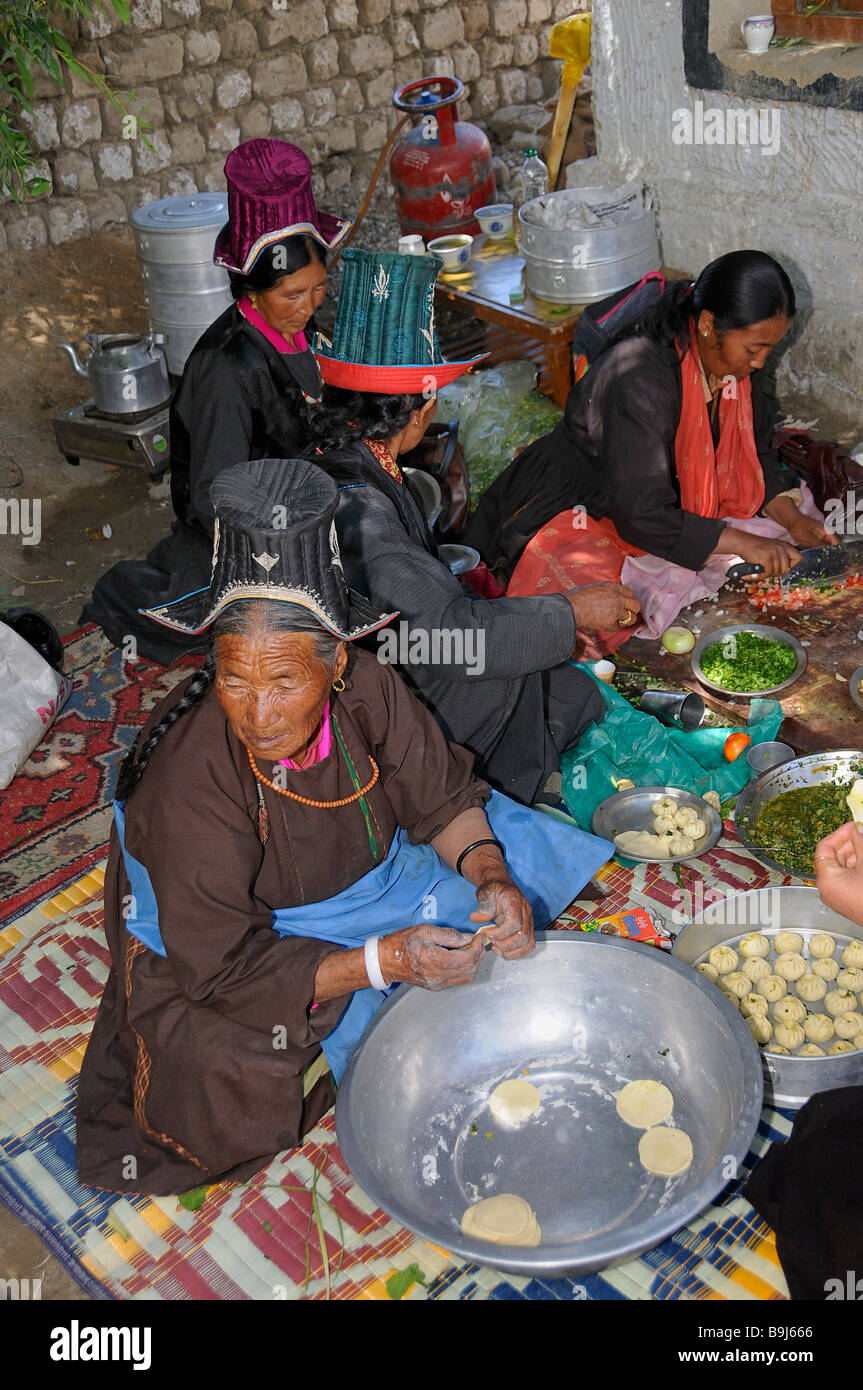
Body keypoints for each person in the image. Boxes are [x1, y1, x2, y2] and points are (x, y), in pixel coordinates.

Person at [76, 456, 612, 1195]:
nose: (257, 715)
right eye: (235, 679)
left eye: (284, 681)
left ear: (334, 663)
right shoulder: (192, 781)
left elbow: (441, 800)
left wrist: (491, 877)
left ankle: (394, 960)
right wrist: (381, 962)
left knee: (516, 881)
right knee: (216, 1079)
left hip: (374, 885)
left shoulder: (368, 684)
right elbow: (220, 964)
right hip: (237, 944)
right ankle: (363, 987)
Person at [304, 248, 640, 808]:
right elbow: (451, 639)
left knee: (574, 693)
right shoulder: (364, 512)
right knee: (514, 665)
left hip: (377, 658)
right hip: (371, 701)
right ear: (422, 408)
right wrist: (571, 610)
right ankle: (467, 796)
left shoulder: (338, 455)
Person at [465, 251, 836, 656]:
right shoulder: (641, 378)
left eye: (769, 348)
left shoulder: (737, 364)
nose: (761, 361)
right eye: (754, 348)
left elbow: (758, 452)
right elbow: (640, 511)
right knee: (605, 614)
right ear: (709, 325)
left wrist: (792, 518)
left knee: (780, 537)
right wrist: (743, 543)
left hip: (665, 497)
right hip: (586, 505)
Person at [81, 140, 351, 666]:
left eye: (317, 289)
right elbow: (213, 499)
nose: (308, 306)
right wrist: (292, 544)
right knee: (256, 636)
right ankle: (130, 594)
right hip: (238, 537)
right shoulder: (224, 371)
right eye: (292, 296)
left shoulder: (299, 328)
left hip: (302, 506)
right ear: (250, 291)